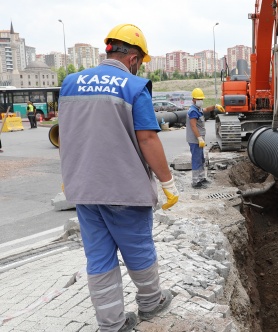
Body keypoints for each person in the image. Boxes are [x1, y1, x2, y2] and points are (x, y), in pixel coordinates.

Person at [58, 23, 178, 332]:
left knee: (98, 256)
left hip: (84, 190)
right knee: (137, 248)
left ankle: (110, 325)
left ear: (109, 49)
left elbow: (66, 134)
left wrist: (71, 175)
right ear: (133, 57)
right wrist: (167, 183)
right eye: (140, 61)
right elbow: (148, 139)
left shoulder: (70, 83)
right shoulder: (132, 87)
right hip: (124, 188)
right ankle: (151, 302)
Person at [186, 88, 223, 189]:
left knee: (201, 159)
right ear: (193, 99)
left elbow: (206, 110)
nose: (200, 101)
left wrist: (215, 106)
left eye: (201, 99)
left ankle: (201, 178)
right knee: (196, 159)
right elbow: (193, 126)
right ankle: (196, 181)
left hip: (199, 139)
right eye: (198, 99)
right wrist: (199, 138)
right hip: (195, 140)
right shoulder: (193, 111)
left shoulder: (198, 109)